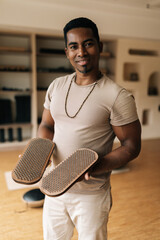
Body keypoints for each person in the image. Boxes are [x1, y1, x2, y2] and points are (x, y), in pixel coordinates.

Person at [38, 17, 141, 240]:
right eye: (74, 46)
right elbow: (47, 125)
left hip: (91, 195)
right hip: (55, 188)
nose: (81, 52)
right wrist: (40, 153)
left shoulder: (117, 96)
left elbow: (131, 146)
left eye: (88, 43)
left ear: (100, 46)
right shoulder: (56, 86)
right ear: (67, 52)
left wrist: (94, 166)